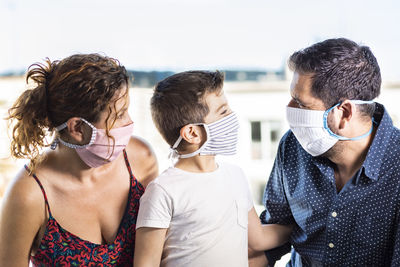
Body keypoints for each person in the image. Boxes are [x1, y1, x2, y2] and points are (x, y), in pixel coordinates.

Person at [250, 38, 400, 266]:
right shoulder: (292, 146)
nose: (289, 110)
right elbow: (274, 234)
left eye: (301, 104)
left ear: (344, 113)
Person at [0, 54, 158, 266]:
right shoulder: (29, 194)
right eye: (120, 114)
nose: (129, 122)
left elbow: (163, 250)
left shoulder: (141, 160)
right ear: (77, 128)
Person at [133, 70, 293, 267]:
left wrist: (302, 226)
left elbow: (258, 238)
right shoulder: (162, 191)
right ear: (192, 133)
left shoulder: (236, 175)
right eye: (223, 111)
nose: (233, 117)